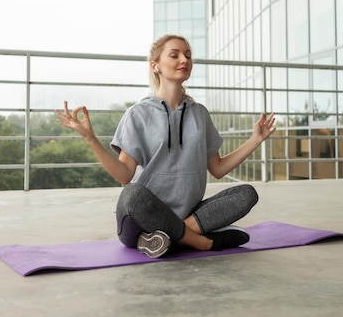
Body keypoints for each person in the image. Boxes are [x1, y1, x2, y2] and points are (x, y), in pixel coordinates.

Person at [56, 34, 276, 258]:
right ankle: (201, 242)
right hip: (141, 220)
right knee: (132, 194)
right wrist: (90, 139)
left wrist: (255, 139)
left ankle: (170, 237)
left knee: (246, 194)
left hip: (188, 214)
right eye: (175, 55)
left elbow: (217, 168)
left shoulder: (199, 114)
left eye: (188, 56)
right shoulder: (138, 114)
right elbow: (124, 175)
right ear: (156, 66)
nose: (184, 60)